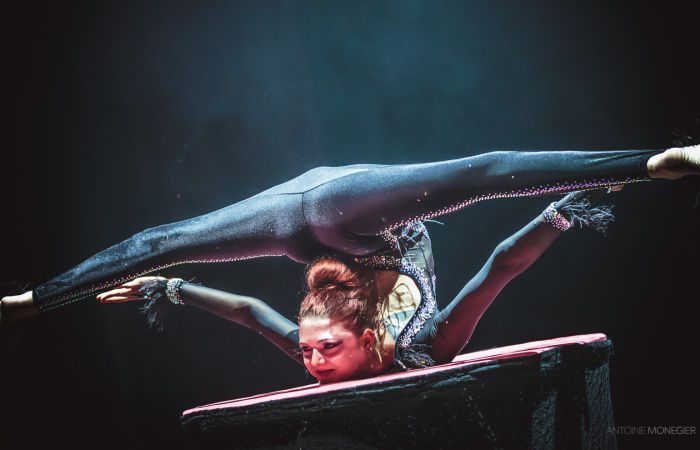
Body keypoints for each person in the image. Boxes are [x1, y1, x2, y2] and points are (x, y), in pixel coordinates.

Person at [1, 146, 698, 378]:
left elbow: (249, 311)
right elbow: (500, 266)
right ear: (368, 340)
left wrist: (175, 290)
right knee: (480, 175)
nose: (311, 360)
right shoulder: (428, 347)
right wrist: (565, 210)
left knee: (164, 243)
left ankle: (28, 302)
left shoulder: (324, 352)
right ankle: (657, 161)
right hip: (352, 214)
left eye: (312, 352)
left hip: (294, 226)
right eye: (321, 351)